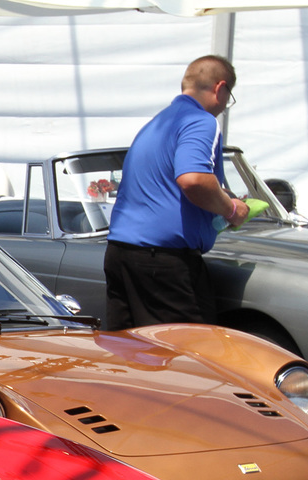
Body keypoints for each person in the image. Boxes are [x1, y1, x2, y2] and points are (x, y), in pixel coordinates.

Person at [102, 54, 249, 331]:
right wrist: (232, 209)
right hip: (163, 263)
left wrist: (220, 192)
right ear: (220, 88)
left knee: (129, 355)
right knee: (188, 357)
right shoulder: (201, 121)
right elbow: (193, 179)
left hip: (121, 253)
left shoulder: (157, 124)